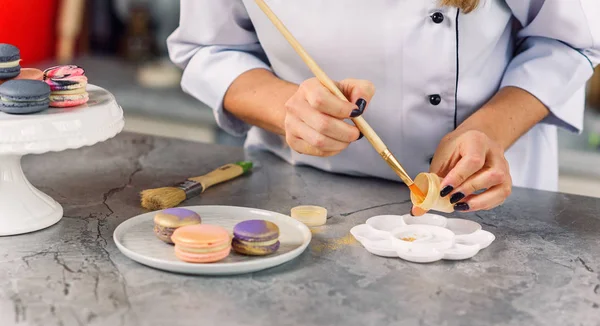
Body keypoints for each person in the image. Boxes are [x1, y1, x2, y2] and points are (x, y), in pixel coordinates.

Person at [167, 0, 599, 214]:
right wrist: (288, 109)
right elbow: (210, 47)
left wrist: (490, 131)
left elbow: (564, 41)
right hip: (304, 199)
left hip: (484, 199)